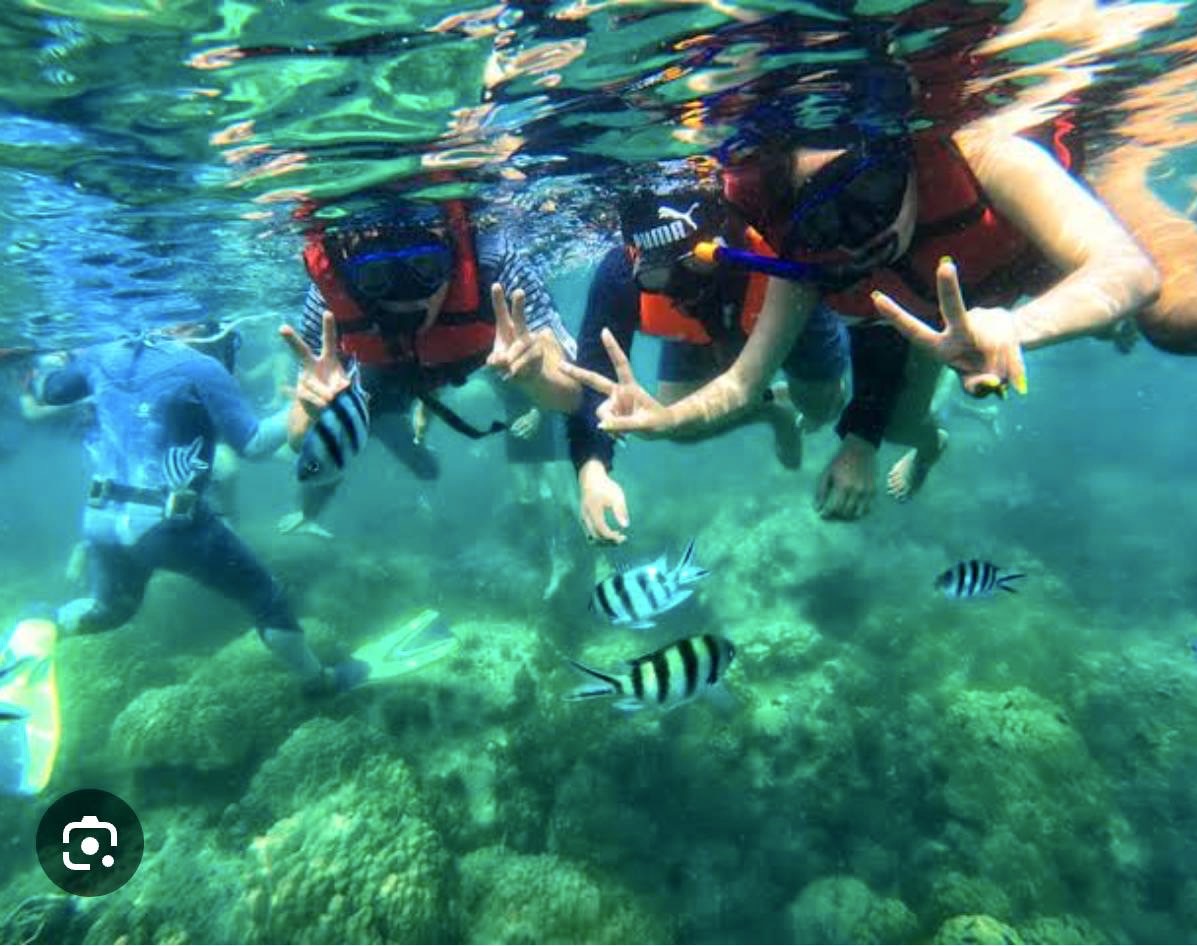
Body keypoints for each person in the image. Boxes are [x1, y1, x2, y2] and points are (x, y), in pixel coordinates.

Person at [564, 116, 1164, 505]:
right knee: (899, 427)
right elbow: (744, 383)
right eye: (821, 221)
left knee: (1165, 319)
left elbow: (1129, 269)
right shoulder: (807, 259)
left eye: (868, 193)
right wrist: (672, 421)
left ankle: (1117, 316)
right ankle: (931, 446)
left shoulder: (981, 153)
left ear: (900, 151)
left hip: (1031, 271)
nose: (856, 235)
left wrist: (1017, 325)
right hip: (939, 318)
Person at [27, 332, 365, 695]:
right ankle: (319, 682)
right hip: (168, 523)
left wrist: (44, 363)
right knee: (265, 597)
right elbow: (252, 444)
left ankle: (36, 628)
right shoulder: (200, 367)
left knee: (108, 608)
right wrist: (301, 406)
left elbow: (49, 391)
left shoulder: (102, 352)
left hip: (101, 516)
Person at [565, 186, 850, 543]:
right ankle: (771, 408)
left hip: (779, 308)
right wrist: (592, 470)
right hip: (698, 335)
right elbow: (594, 375)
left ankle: (795, 396)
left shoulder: (773, 246)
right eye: (657, 276)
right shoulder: (620, 275)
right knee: (677, 424)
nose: (682, 290)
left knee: (821, 407)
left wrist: (861, 439)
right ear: (637, 259)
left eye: (693, 265)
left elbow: (742, 385)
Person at [280, 197, 580, 536]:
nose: (405, 296)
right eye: (375, 274)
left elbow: (570, 397)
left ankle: (551, 523)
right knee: (342, 430)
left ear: (452, 254)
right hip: (387, 364)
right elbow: (297, 437)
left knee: (524, 377)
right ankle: (316, 510)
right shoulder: (330, 294)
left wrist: (536, 375)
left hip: (489, 354)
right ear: (351, 270)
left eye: (425, 266)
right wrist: (318, 408)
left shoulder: (492, 260)